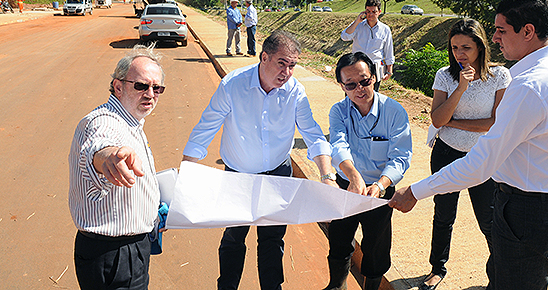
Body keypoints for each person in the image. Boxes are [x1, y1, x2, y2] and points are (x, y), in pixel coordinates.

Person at [389, 0, 548, 290]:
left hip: (527, 206)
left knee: (516, 278)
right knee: (512, 272)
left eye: (501, 30)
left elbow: (480, 164)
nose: (496, 38)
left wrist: (416, 191)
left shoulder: (528, 85)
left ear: (527, 31)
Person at [182, 30, 336, 290]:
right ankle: (227, 286)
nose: (287, 72)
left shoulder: (295, 91)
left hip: (278, 174)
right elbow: (205, 127)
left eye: (293, 65)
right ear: (264, 57)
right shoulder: (233, 85)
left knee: (273, 238)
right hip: (238, 175)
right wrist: (187, 172)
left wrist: (327, 175)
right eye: (281, 63)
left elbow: (313, 134)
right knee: (234, 236)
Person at [420, 19, 511, 290]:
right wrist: (460, 88)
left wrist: (454, 121)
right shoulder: (445, 76)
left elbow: (496, 123)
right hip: (446, 153)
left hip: (483, 157)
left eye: (467, 48)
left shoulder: (500, 76)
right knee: (444, 215)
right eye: (455, 47)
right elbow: (437, 119)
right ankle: (437, 268)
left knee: (489, 219)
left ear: (481, 47)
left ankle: (499, 272)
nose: (460, 53)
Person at [68, 45, 166, 289]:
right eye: (141, 86)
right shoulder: (105, 121)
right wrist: (108, 158)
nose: (150, 94)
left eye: (157, 88)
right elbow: (99, 147)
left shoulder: (131, 121)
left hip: (129, 250)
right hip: (114, 255)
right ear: (118, 86)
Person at [324, 52, 412, 290]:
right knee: (340, 239)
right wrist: (353, 177)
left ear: (374, 77)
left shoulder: (394, 111)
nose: (359, 89)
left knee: (376, 246)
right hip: (347, 187)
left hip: (380, 191)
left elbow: (401, 156)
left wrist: (381, 184)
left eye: (364, 81)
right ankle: (337, 285)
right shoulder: (339, 111)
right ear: (342, 85)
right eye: (350, 85)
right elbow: (338, 145)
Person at [340, 0, 394, 92]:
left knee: (371, 96)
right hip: (356, 66)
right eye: (368, 11)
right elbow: (345, 37)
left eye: (374, 11)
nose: (370, 14)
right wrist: (357, 21)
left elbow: (388, 50)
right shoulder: (358, 26)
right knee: (352, 94)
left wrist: (389, 70)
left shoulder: (385, 29)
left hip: (374, 68)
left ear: (379, 12)